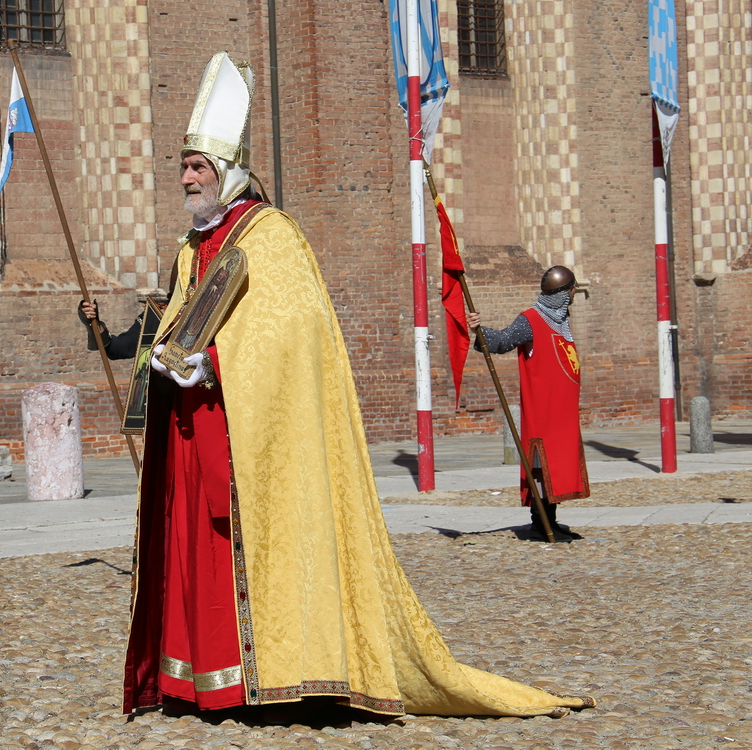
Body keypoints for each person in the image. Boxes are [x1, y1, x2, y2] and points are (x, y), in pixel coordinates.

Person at [122, 51, 593, 721]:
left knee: (238, 550)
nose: (185, 178)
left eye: (197, 167)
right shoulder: (191, 245)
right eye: (182, 166)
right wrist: (165, 362)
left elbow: (295, 334)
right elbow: (176, 319)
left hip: (247, 434)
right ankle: (192, 680)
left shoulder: (270, 235)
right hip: (194, 426)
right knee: (190, 550)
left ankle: (250, 682)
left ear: (228, 173)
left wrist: (217, 364)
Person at [467, 266, 590, 544]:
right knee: (541, 466)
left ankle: (552, 520)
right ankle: (539, 523)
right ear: (560, 293)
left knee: (558, 466)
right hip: (543, 412)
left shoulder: (560, 321)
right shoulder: (531, 320)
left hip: (562, 413)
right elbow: (502, 341)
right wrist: (479, 330)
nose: (573, 293)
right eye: (571, 289)